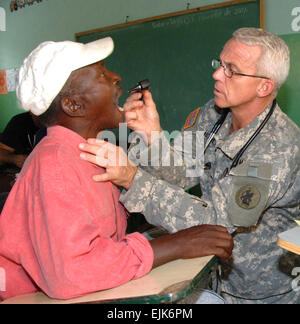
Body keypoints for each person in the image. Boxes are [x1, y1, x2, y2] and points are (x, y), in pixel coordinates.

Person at [0, 37, 233, 301]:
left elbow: (164, 186)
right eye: (101, 74)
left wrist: (150, 137)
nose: (116, 78)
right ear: (72, 105)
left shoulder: (89, 152)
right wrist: (175, 245)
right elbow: (71, 274)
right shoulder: (55, 162)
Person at [79, 28, 300, 304]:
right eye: (219, 64)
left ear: (264, 86)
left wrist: (133, 180)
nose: (217, 75)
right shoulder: (214, 112)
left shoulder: (279, 146)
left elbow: (215, 223)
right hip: (213, 277)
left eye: (231, 70)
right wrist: (152, 137)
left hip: (262, 293)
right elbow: (183, 172)